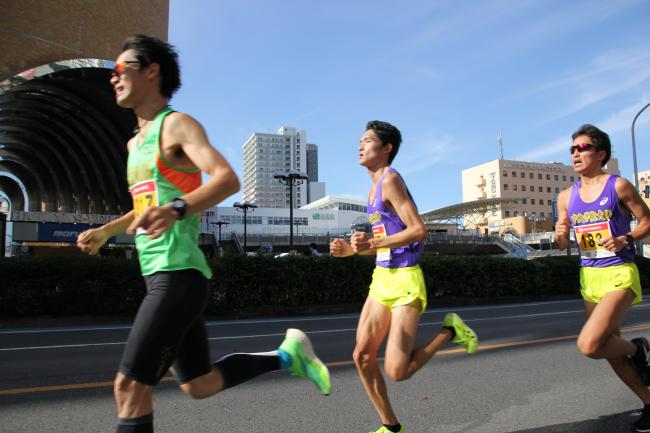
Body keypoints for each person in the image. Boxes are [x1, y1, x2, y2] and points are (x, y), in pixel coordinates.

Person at [76, 35, 330, 433]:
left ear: (151, 71)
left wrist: (178, 208)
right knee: (199, 384)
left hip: (177, 276)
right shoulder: (133, 145)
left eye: (120, 69)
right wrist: (109, 230)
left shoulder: (176, 125)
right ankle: (287, 356)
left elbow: (227, 179)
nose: (113, 79)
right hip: (159, 275)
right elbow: (148, 206)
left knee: (128, 387)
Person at [330, 121, 478, 433]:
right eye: (360, 140)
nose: (360, 145)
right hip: (381, 278)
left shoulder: (391, 180)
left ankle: (451, 330)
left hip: (406, 281)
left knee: (398, 371)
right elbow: (386, 241)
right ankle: (391, 427)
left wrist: (372, 243)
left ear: (387, 149)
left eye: (368, 141)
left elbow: (418, 231)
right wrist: (352, 251)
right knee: (362, 356)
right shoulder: (372, 189)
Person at [555, 124, 650, 432]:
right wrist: (560, 234)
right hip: (589, 278)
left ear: (601, 154)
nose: (575, 154)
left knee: (591, 344)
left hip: (619, 273)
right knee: (611, 350)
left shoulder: (618, 186)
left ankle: (639, 350)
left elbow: (646, 220)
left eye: (582, 148)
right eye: (572, 149)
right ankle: (649, 401)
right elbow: (562, 239)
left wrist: (627, 237)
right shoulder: (566, 196)